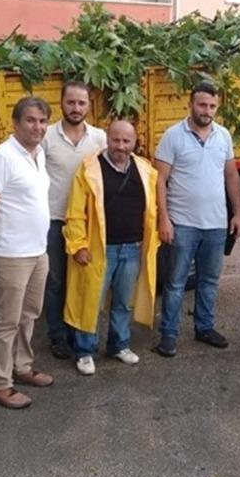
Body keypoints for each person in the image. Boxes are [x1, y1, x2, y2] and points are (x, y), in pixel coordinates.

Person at [0, 97, 56, 409]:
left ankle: (22, 367)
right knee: (7, 320)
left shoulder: (37, 154)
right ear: (16, 123)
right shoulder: (3, 156)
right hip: (11, 254)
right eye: (31, 121)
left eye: (42, 121)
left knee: (29, 315)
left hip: (38, 251)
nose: (38, 127)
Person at [153, 81, 240, 357]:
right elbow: (160, 180)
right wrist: (164, 219)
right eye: (202, 104)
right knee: (176, 281)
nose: (207, 110)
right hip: (183, 223)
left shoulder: (223, 136)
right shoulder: (173, 136)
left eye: (212, 106)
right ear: (191, 104)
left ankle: (204, 327)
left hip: (216, 224)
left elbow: (231, 176)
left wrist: (238, 213)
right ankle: (168, 334)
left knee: (209, 280)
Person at [63, 120, 159, 375]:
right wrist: (78, 245)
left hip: (132, 248)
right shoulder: (89, 169)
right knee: (90, 301)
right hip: (99, 249)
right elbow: (75, 213)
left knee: (123, 302)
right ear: (107, 139)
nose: (121, 146)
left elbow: (152, 209)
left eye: (127, 141)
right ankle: (85, 351)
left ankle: (119, 345)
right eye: (116, 140)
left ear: (135, 142)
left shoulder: (145, 169)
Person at [42, 81, 107, 359]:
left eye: (81, 103)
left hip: (88, 223)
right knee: (56, 281)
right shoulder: (46, 137)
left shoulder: (100, 138)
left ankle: (76, 331)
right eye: (71, 102)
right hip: (55, 221)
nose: (76, 108)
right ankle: (57, 336)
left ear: (89, 105)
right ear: (61, 103)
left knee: (81, 281)